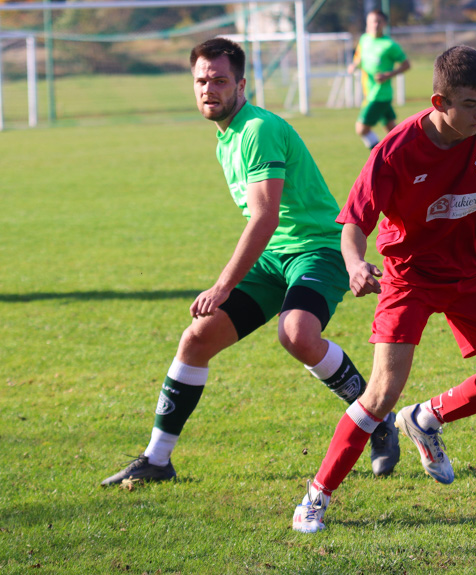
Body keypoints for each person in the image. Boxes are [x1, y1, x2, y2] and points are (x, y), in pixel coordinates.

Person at [292, 45, 476, 533]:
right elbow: (352, 226)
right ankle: (316, 496)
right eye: (470, 104)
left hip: (475, 268)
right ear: (439, 102)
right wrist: (354, 265)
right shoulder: (394, 151)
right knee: (381, 393)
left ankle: (427, 419)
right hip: (409, 274)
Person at [101, 38, 400, 487]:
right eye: (201, 81)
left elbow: (264, 217)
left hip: (318, 249)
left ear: (241, 84)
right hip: (274, 256)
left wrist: (222, 286)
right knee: (197, 339)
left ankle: (377, 418)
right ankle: (157, 459)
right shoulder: (227, 136)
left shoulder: (257, 129)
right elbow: (265, 226)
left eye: (219, 80)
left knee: (297, 333)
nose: (209, 89)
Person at [348, 10, 411, 150]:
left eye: (378, 21)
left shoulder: (389, 45)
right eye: (372, 21)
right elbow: (359, 56)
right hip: (369, 91)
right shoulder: (364, 39)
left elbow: (406, 64)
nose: (375, 24)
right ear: (367, 23)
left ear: (384, 24)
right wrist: (354, 65)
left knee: (361, 129)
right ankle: (407, 152)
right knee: (392, 131)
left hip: (380, 94)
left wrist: (387, 75)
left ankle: (378, 155)